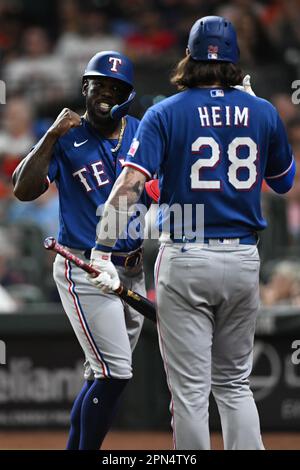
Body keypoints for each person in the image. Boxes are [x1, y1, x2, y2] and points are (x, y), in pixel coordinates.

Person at [88, 17, 295, 450]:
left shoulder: (165, 111)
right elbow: (284, 181)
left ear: (189, 56)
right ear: (235, 60)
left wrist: (101, 250)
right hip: (241, 260)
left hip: (184, 256)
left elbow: (128, 187)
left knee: (190, 395)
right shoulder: (262, 111)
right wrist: (259, 116)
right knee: (235, 385)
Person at [12, 51, 148, 450]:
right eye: (98, 84)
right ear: (84, 88)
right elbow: (23, 190)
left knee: (100, 374)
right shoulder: (67, 136)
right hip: (84, 266)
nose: (105, 93)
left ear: (127, 94)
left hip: (132, 269)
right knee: (115, 374)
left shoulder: (142, 131)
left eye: (115, 87)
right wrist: (51, 135)